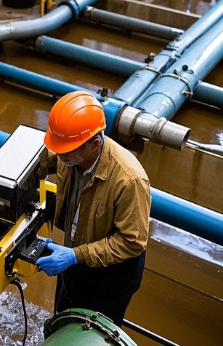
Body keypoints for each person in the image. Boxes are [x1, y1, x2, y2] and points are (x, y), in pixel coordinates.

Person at [36, 91, 151, 326]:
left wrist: (75, 256)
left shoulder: (129, 180)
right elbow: (40, 160)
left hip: (111, 276)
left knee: (92, 336)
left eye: (66, 151)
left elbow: (132, 242)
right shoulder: (71, 153)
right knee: (63, 318)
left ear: (94, 145)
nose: (60, 155)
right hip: (75, 253)